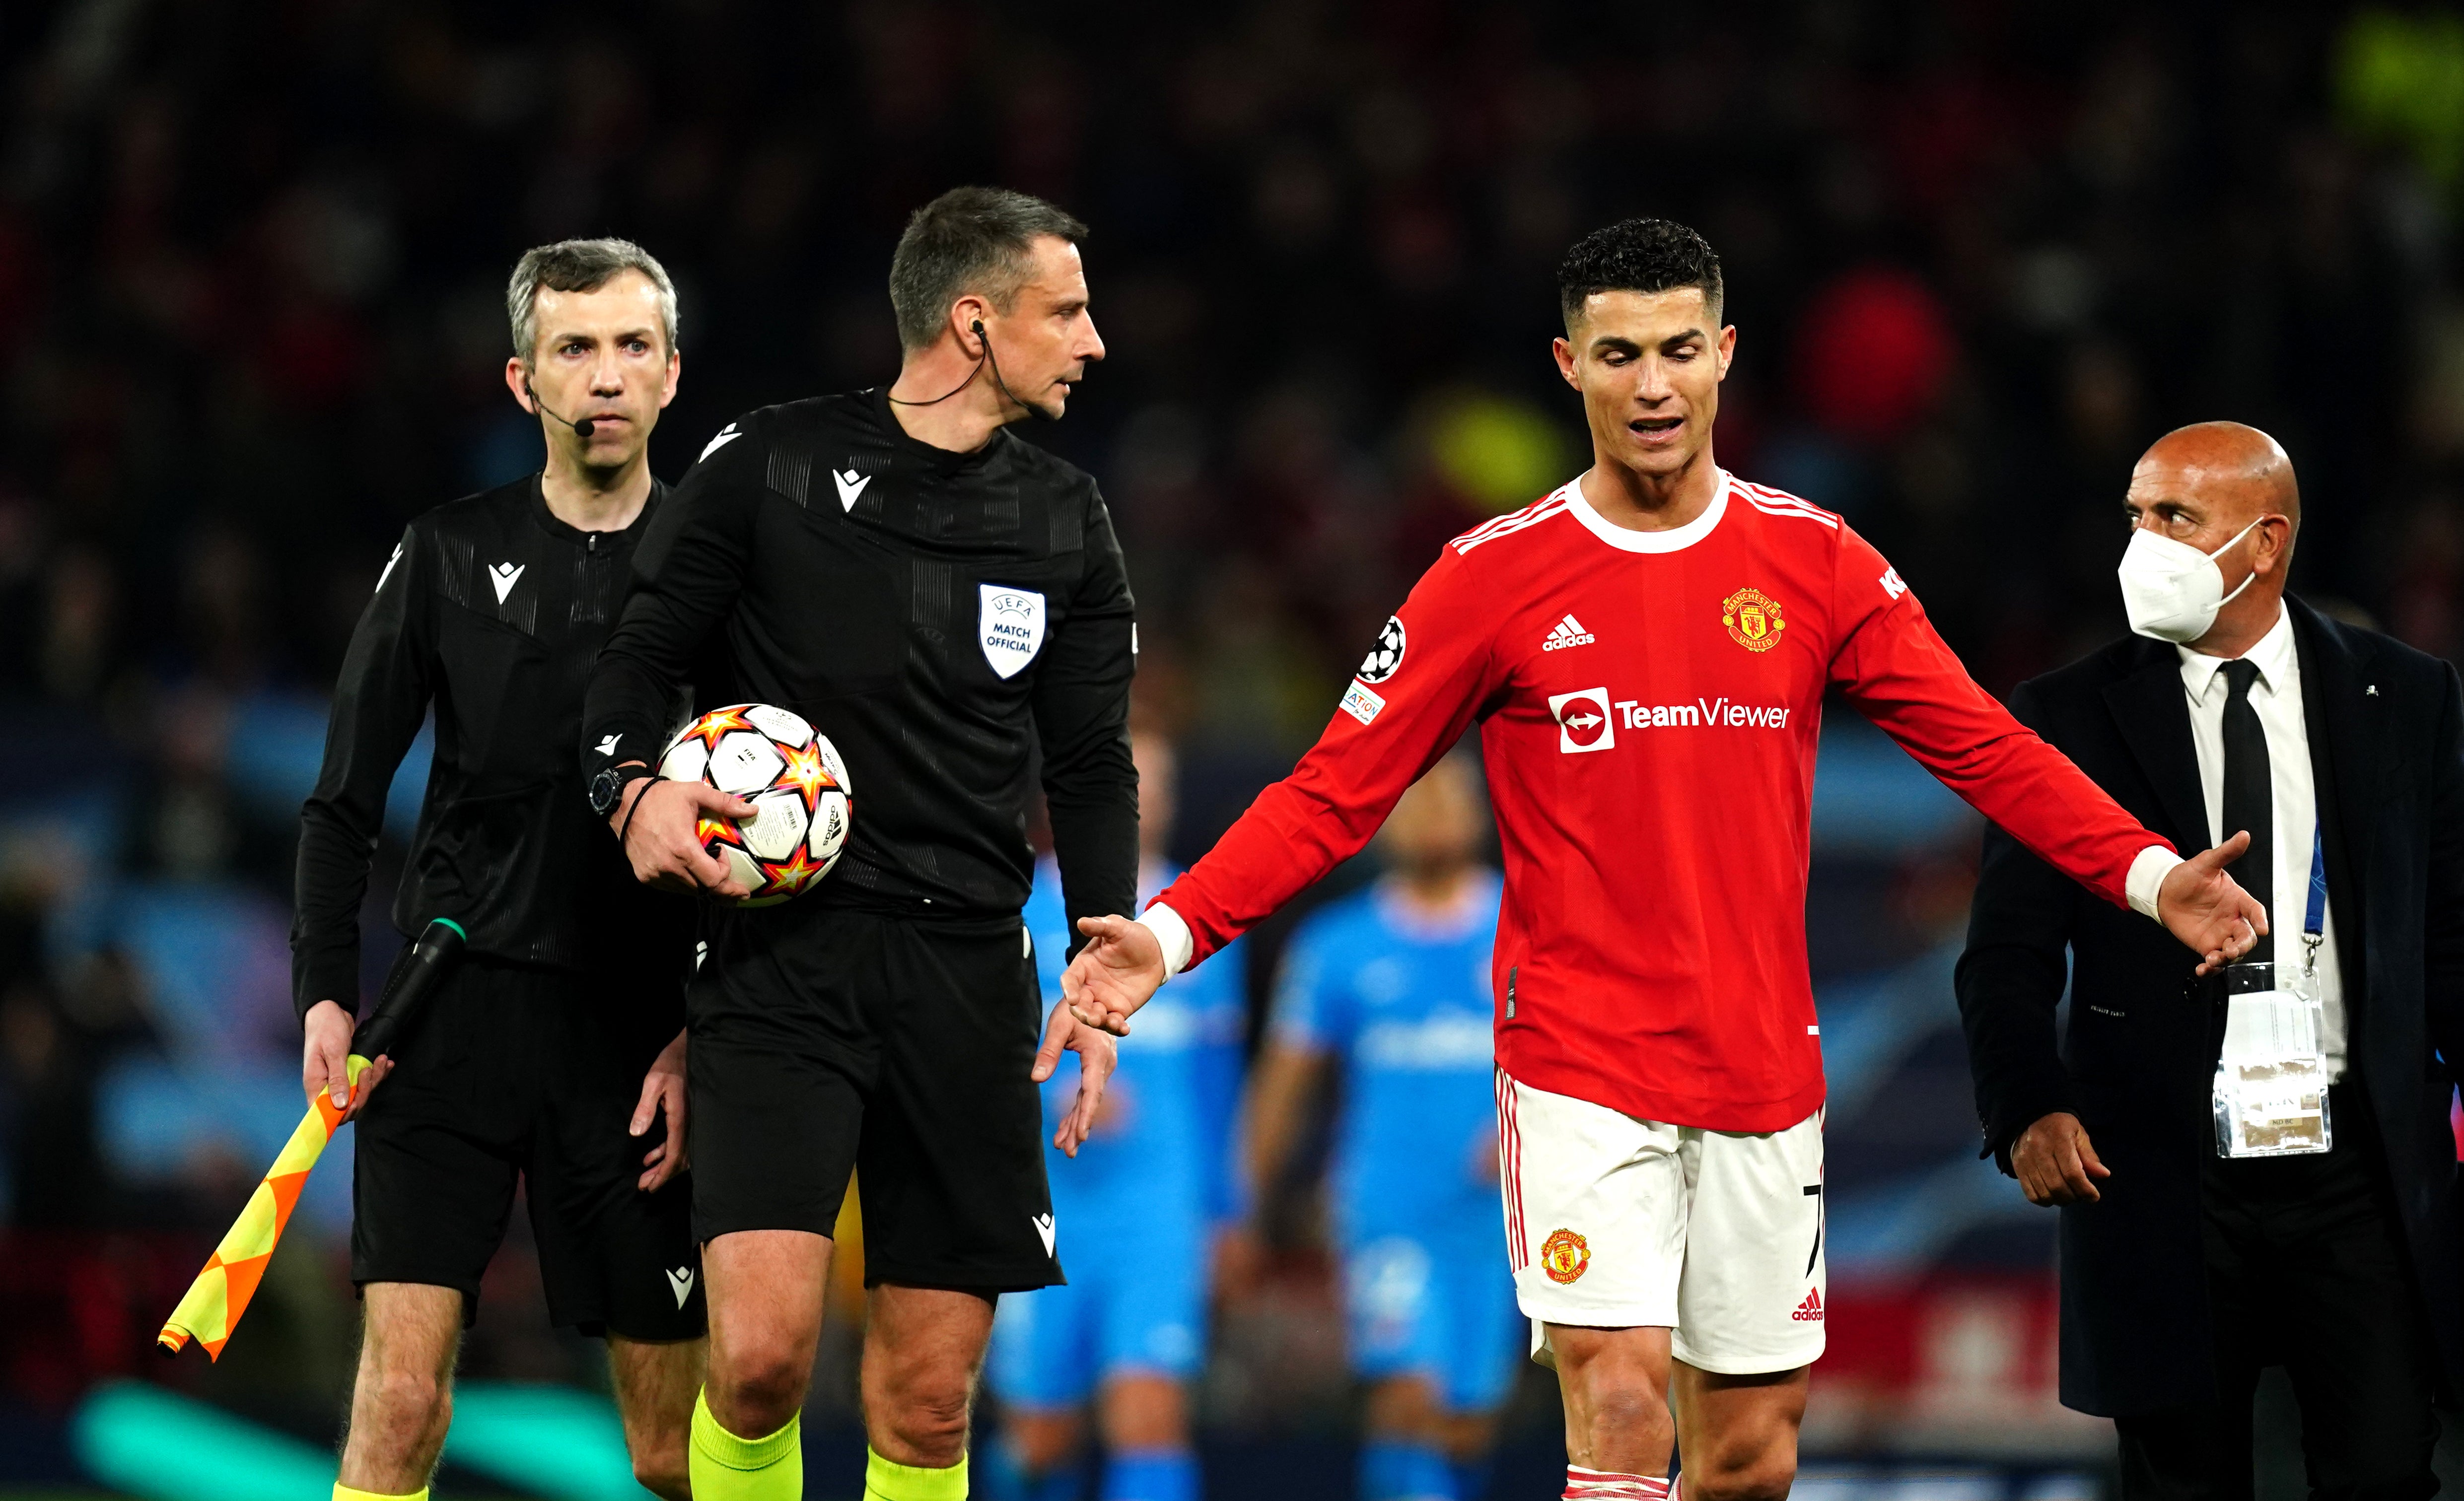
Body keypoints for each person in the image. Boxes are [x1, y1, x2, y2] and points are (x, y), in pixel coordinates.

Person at [1060, 217, 2270, 1501]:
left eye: (1679, 351)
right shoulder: (1490, 579)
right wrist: (1173, 932)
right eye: (1619, 353)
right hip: (1579, 1064)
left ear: (1724, 356)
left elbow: (1981, 745)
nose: (1651, 384)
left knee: (1746, 1460)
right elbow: (1330, 794)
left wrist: (2150, 874)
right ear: (1568, 366)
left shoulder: (1815, 560)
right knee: (1622, 1404)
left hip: (1758, 1064)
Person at [580, 186, 1131, 1501]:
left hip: (965, 981)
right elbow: (632, 662)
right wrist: (633, 792)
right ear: (974, 322)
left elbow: (1089, 765)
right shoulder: (765, 465)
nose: (1094, 341)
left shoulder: (1066, 520)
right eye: (1066, 312)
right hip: (783, 968)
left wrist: (1100, 964)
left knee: (929, 1400)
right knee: (761, 1362)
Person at [1956, 422, 2464, 1499]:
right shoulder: (2064, 716)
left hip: (2358, 1166)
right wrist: (2026, 1108)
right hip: (2154, 1164)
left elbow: (2449, 932)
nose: (2141, 542)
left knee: (2383, 1479)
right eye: (2136, 514)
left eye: (2174, 518)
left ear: (2264, 540)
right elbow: (2003, 954)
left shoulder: (2405, 696)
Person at [293, 239, 705, 1501]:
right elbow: (343, 798)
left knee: (667, 1450)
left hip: (636, 1044)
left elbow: (772, 832)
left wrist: (706, 1037)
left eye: (633, 347)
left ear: (673, 374)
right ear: (524, 382)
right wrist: (324, 991)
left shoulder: (724, 570)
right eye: (575, 349)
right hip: (447, 1020)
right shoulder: (444, 553)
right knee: (404, 1404)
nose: (606, 376)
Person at [1245, 755, 1518, 1501]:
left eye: (1447, 798)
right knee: (1408, 1392)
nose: (1431, 814)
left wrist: (1535, 1132)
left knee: (1470, 1421)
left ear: (1479, 816)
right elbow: (1284, 1083)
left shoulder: (1526, 929)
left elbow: (1585, 1055)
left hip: (1498, 1221)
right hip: (1386, 1208)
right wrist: (1243, 1209)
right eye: (1414, 800)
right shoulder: (1338, 944)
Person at [986, 731, 1245, 1501]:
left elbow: (1220, 1081)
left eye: (1155, 781)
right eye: (1127, 778)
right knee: (1038, 1438)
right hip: (1038, 1200)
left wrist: (1231, 1211)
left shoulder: (1200, 919)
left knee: (1150, 1414)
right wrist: (1044, 1090)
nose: (1141, 796)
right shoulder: (1013, 906)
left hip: (1158, 1210)